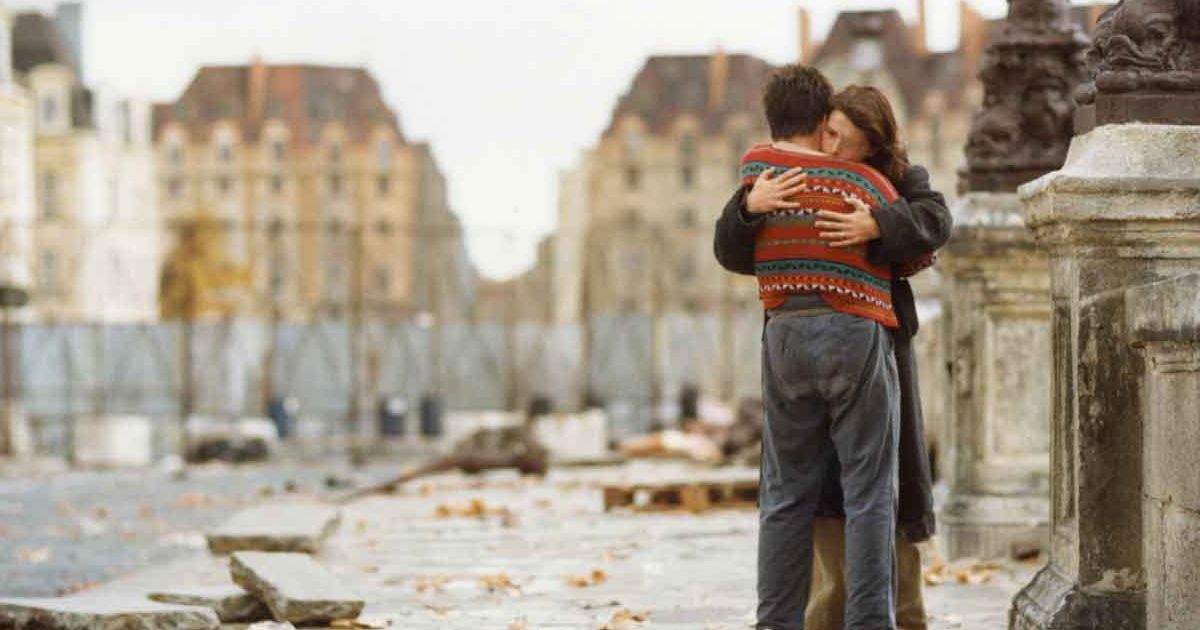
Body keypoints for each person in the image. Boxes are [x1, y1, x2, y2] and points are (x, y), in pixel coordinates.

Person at [714, 82, 951, 630]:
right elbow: (730, 246)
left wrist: (878, 224)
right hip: (846, 335)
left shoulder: (896, 179)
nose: (831, 149)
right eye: (829, 134)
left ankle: (853, 616)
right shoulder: (778, 178)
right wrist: (749, 206)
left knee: (841, 493)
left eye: (844, 141)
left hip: (873, 341)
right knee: (846, 493)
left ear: (874, 146)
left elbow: (935, 223)